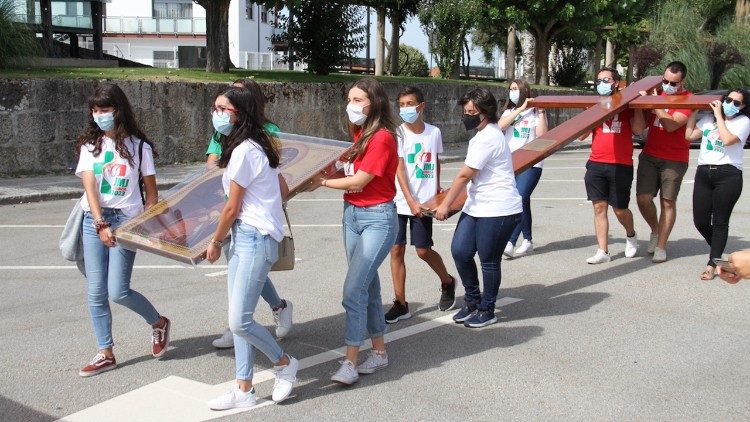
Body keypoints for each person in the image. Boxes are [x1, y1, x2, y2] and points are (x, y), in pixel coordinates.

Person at [205, 87, 298, 409]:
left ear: (239, 114)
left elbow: (232, 207)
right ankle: (243, 388)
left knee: (239, 321)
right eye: (215, 107)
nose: (216, 113)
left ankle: (284, 363)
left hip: (254, 239)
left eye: (222, 108)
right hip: (245, 236)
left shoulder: (246, 150)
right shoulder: (244, 147)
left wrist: (215, 241)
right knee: (239, 318)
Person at [75, 83, 171, 377]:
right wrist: (99, 222)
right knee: (96, 291)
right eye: (95, 110)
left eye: (104, 109)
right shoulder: (90, 146)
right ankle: (105, 352)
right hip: (95, 221)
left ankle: (158, 323)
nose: (99, 115)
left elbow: (151, 194)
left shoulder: (140, 148)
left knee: (117, 291)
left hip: (127, 223)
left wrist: (148, 225)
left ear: (118, 110)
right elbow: (89, 185)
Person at [317, 78, 399, 385]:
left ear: (374, 103)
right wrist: (322, 169)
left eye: (358, 100)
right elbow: (346, 170)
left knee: (353, 291)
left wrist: (322, 183)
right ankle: (379, 353)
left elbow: (360, 181)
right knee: (369, 287)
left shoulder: (382, 138)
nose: (351, 105)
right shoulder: (360, 133)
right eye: (349, 99)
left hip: (377, 218)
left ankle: (349, 362)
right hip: (351, 215)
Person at [435, 87, 522, 328]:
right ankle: (472, 300)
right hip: (477, 206)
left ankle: (487, 308)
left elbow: (464, 175)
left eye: (472, 112)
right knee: (460, 251)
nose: (467, 116)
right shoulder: (481, 136)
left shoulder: (489, 137)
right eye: (465, 111)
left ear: (486, 112)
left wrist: (445, 204)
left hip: (499, 208)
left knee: (489, 260)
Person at [385, 86, 456, 323]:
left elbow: (435, 162)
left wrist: (437, 192)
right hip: (401, 201)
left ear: (421, 106)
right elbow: (399, 169)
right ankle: (400, 303)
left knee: (423, 251)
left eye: (410, 104)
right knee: (396, 249)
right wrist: (410, 200)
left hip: (425, 203)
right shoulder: (399, 133)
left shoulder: (434, 133)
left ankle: (447, 281)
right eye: (402, 105)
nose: (405, 109)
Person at [581, 67, 646, 264]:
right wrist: (590, 115)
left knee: (620, 209)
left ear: (616, 83)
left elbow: (638, 129)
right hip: (596, 163)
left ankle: (631, 234)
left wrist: (638, 106)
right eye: (599, 81)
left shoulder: (627, 104)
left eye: (607, 80)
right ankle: (603, 251)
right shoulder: (593, 105)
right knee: (599, 208)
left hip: (620, 164)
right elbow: (582, 135)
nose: (602, 84)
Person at [685, 88, 749, 280]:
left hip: (728, 174)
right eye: (728, 100)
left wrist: (718, 116)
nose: (731, 104)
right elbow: (689, 136)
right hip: (704, 172)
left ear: (743, 107)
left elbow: (728, 139)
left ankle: (712, 264)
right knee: (701, 221)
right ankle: (719, 250)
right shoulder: (708, 121)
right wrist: (693, 114)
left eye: (737, 103)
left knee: (720, 222)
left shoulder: (743, 122)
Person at [634, 61, 692, 263]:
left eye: (673, 83)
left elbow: (670, 125)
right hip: (650, 155)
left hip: (674, 159)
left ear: (682, 82)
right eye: (665, 80)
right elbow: (639, 128)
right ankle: (655, 230)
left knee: (667, 201)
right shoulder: (657, 94)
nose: (668, 85)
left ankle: (661, 246)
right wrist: (641, 105)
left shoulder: (688, 100)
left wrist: (655, 102)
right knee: (643, 198)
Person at [499, 79, 548, 258]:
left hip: (532, 162)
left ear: (524, 91)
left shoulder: (535, 112)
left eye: (516, 89)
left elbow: (543, 136)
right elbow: (500, 127)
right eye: (510, 89)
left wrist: (541, 112)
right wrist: (520, 109)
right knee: (522, 201)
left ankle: (511, 242)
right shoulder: (509, 112)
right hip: (511, 162)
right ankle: (527, 240)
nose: (513, 92)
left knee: (520, 198)